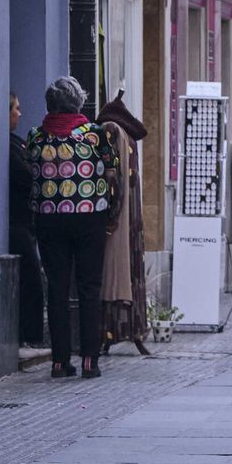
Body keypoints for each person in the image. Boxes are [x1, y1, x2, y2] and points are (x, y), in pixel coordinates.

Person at [27, 76, 119, 379]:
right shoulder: (95, 135)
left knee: (57, 288)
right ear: (78, 101)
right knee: (89, 287)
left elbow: (32, 172)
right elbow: (111, 170)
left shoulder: (36, 137)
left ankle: (59, 361)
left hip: (49, 218)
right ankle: (90, 360)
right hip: (89, 216)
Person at [96, 91, 149, 356]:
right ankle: (129, 329)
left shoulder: (109, 130)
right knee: (124, 274)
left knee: (113, 276)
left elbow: (111, 178)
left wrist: (109, 216)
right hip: (130, 218)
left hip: (117, 221)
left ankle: (110, 329)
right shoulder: (127, 134)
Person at [7, 93, 44, 347]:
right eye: (16, 109)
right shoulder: (10, 146)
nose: (20, 113)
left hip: (24, 221)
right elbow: (27, 174)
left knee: (31, 277)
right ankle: (28, 335)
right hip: (17, 221)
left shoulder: (17, 143)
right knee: (31, 277)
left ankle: (29, 335)